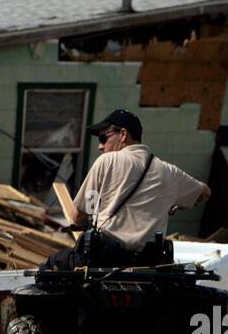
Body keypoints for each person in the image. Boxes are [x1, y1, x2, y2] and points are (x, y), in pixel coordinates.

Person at [43, 109, 210, 269]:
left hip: (106, 258)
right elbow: (204, 192)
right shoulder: (169, 172)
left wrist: (87, 219)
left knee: (51, 266)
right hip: (148, 263)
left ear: (123, 135)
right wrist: (176, 204)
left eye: (103, 138)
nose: (100, 146)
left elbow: (79, 216)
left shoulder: (107, 161)